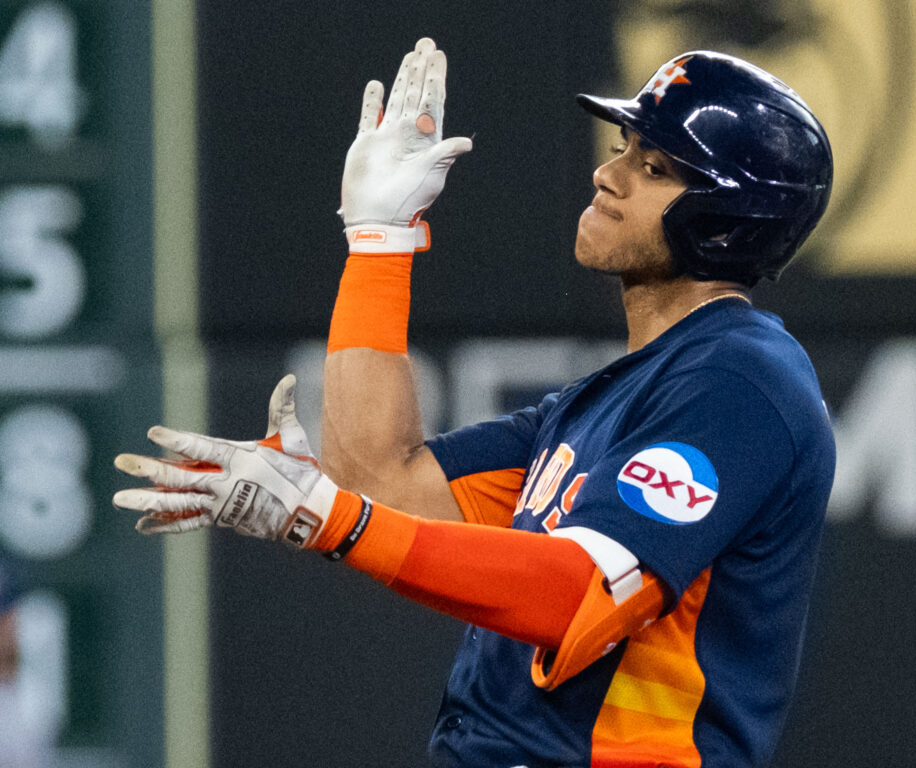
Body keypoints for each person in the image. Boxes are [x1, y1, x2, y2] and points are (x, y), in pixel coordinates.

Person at [114, 38, 835, 768]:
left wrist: (328, 519)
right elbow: (379, 485)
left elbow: (578, 590)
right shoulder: (603, 400)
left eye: (652, 168)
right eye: (624, 147)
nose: (607, 173)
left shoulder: (744, 382)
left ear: (727, 216)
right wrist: (378, 243)